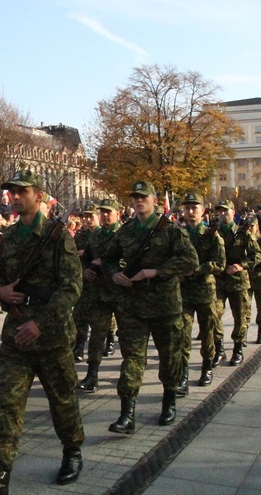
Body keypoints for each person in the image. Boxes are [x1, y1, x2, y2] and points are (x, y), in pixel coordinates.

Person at [0, 171, 84, 495]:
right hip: (17, 333)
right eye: (12, 192)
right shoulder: (10, 237)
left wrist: (41, 323)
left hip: (51, 334)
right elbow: (4, 282)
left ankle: (72, 452)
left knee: (62, 400)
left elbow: (72, 287)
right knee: (8, 405)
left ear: (39, 195)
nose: (15, 197)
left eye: (22, 191)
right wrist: (0, 294)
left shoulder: (59, 235)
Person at [101, 181, 197, 436]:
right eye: (135, 197)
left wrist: (157, 271)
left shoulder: (170, 230)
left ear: (154, 200)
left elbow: (190, 260)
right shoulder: (125, 231)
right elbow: (107, 259)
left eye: (143, 197)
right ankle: (127, 414)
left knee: (169, 357)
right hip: (133, 306)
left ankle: (169, 401)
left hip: (165, 305)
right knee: (132, 359)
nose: (138, 201)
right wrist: (114, 275)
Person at [177, 192, 225, 393]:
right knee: (183, 334)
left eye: (194, 208)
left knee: (207, 331)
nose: (189, 211)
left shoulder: (212, 235)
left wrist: (196, 270)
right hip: (184, 292)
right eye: (187, 208)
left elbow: (219, 264)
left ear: (202, 211)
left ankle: (207, 366)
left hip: (205, 291)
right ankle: (183, 373)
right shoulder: (177, 234)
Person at [76, 198, 123, 393]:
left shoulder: (124, 235)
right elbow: (85, 259)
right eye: (102, 212)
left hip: (121, 293)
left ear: (117, 214)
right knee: (96, 336)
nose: (104, 215)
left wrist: (109, 265)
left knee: (128, 336)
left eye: (108, 212)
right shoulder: (95, 237)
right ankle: (92, 375)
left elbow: (131, 261)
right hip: (100, 293)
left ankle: (127, 375)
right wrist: (86, 270)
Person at [212, 200, 261, 367]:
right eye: (220, 212)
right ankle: (219, 350)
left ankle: (237, 349)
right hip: (219, 281)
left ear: (233, 212)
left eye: (226, 211)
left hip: (238, 281)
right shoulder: (213, 232)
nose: (222, 214)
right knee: (214, 315)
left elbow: (257, 255)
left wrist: (241, 265)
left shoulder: (243, 233)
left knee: (240, 317)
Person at [71, 203, 100, 363]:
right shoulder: (80, 236)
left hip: (100, 283)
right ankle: (79, 346)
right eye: (85, 217)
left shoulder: (103, 235)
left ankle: (108, 340)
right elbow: (72, 258)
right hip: (83, 281)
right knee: (79, 315)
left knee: (101, 319)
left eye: (91, 216)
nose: (88, 220)